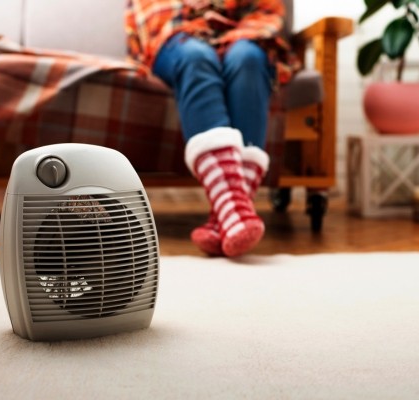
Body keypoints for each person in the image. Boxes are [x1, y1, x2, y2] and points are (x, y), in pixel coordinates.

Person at [125, 0, 297, 257]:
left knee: (248, 58)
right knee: (196, 56)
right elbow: (154, 18)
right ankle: (236, 211)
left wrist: (232, 35)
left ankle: (225, 217)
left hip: (242, 35)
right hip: (174, 34)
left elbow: (265, 13)